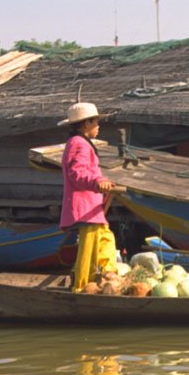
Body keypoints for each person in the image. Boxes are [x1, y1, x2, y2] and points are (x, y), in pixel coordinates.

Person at [58, 102, 118, 293]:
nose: (98, 126)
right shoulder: (79, 144)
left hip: (90, 208)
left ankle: (108, 278)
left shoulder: (78, 142)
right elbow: (78, 172)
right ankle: (80, 289)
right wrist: (97, 182)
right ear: (86, 124)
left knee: (105, 239)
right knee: (88, 251)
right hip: (85, 207)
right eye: (96, 122)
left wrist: (101, 182)